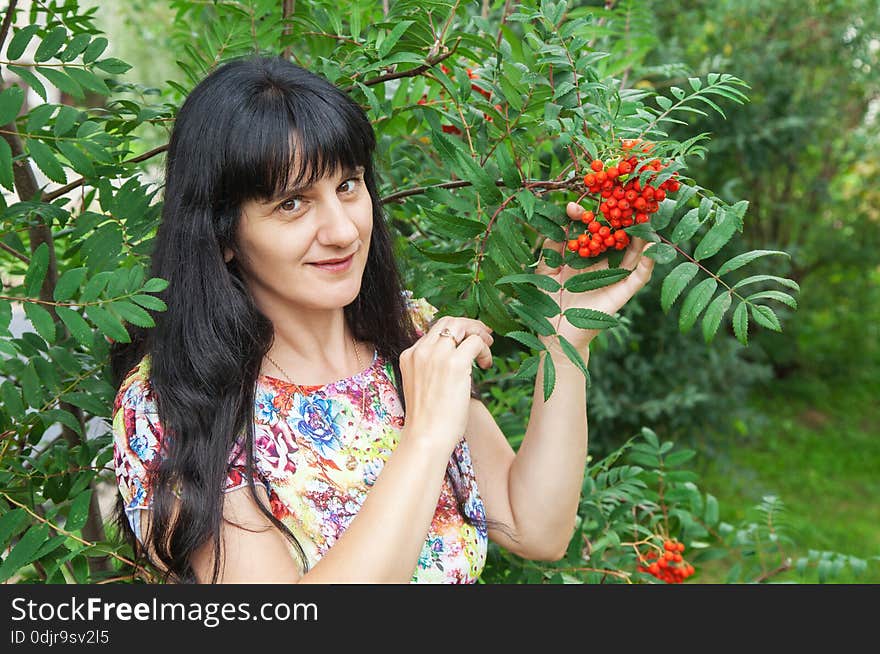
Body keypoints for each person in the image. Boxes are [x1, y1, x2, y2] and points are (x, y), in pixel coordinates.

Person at [109, 55, 655, 584]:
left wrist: (565, 342)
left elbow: (534, 527)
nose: (343, 230)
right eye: (292, 204)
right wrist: (424, 437)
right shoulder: (170, 406)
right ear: (223, 234)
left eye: (348, 186)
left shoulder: (404, 336)